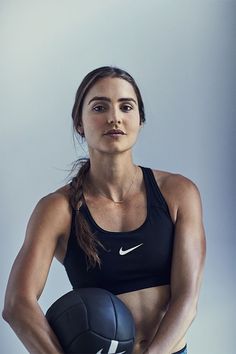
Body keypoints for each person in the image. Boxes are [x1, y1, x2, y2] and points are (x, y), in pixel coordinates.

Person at [2, 66, 206, 354]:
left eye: (126, 106)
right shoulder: (58, 209)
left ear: (140, 120)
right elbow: (17, 305)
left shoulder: (178, 193)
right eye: (99, 107)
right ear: (80, 124)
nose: (114, 117)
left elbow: (188, 299)